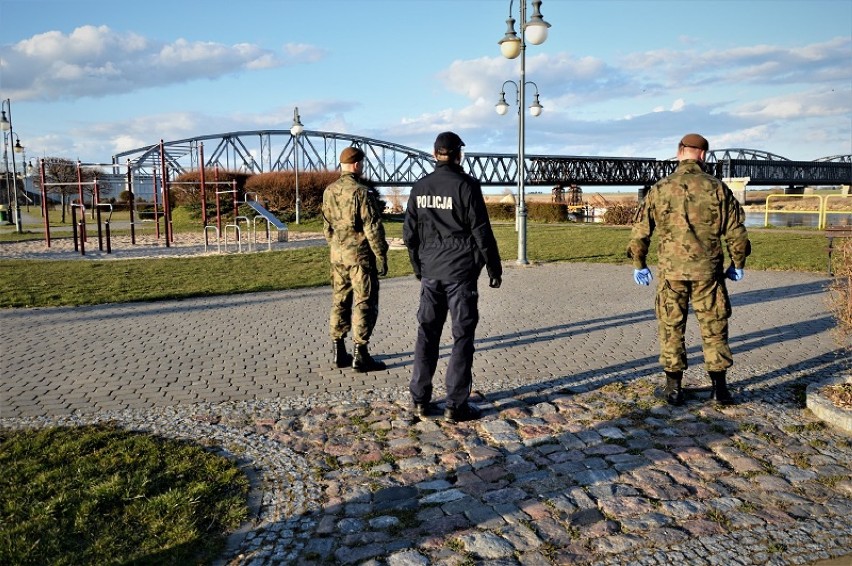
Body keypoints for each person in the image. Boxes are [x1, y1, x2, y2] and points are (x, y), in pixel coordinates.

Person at [627, 133, 751, 406]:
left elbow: (640, 233)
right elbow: (736, 233)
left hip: (672, 273)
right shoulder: (718, 188)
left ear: (679, 151)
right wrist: (737, 263)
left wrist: (640, 263)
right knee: (715, 326)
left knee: (671, 326)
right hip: (709, 272)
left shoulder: (660, 188)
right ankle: (720, 389)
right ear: (703, 155)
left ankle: (673, 389)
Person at [403, 132, 503, 422]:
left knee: (427, 334)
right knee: (462, 338)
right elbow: (481, 232)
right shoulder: (467, 186)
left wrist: (418, 267)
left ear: (435, 154)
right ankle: (455, 405)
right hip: (460, 274)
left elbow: (409, 234)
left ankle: (420, 400)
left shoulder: (420, 187)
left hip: (431, 273)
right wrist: (494, 268)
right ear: (458, 155)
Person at [322, 146, 389, 372]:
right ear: (357, 165)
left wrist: (336, 245)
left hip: (337, 255)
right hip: (359, 257)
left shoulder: (329, 191)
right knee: (364, 301)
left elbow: (326, 226)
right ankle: (361, 354)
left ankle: (338, 350)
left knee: (340, 300)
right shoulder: (362, 192)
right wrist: (381, 254)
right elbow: (372, 227)